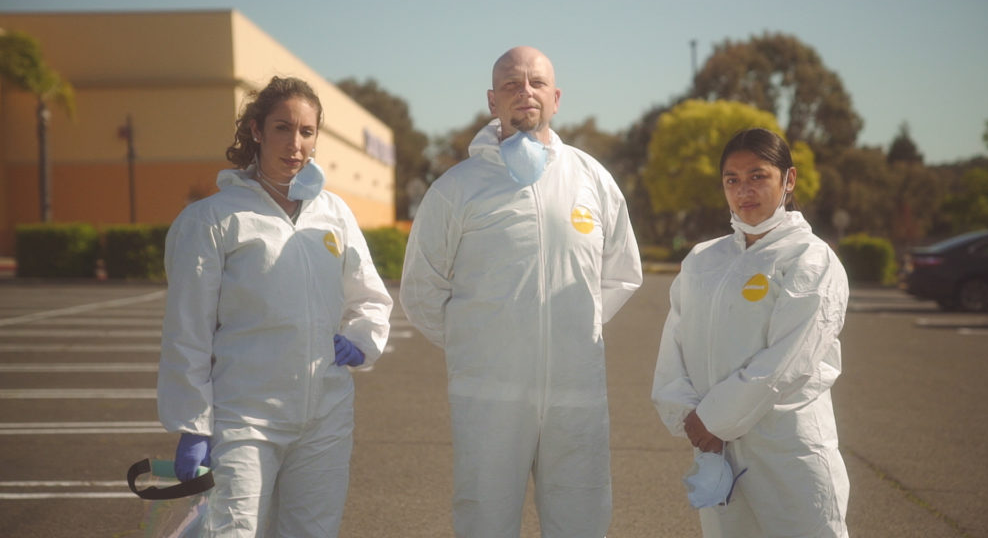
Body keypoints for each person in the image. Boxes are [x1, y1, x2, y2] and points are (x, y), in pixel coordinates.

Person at [399, 46, 642, 538]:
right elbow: (421, 289)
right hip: (488, 395)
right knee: (485, 518)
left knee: (582, 518)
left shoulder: (591, 179)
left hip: (576, 391)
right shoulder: (457, 189)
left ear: (556, 97)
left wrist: (576, 327)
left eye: (535, 83)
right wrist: (480, 344)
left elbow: (621, 273)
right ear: (493, 101)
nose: (524, 92)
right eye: (511, 84)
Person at [157, 76, 392, 537]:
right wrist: (193, 423)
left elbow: (370, 295)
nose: (296, 144)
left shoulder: (334, 213)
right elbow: (188, 330)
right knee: (232, 532)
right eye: (283, 128)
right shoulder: (213, 220)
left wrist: (362, 341)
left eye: (307, 131)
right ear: (257, 131)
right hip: (244, 418)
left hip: (324, 415)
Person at [651, 127, 850, 537]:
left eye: (758, 176)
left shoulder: (810, 259)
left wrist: (713, 417)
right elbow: (675, 342)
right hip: (717, 450)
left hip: (787, 450)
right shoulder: (704, 259)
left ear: (788, 180)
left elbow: (790, 359)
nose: (745, 191)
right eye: (732, 180)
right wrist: (686, 413)